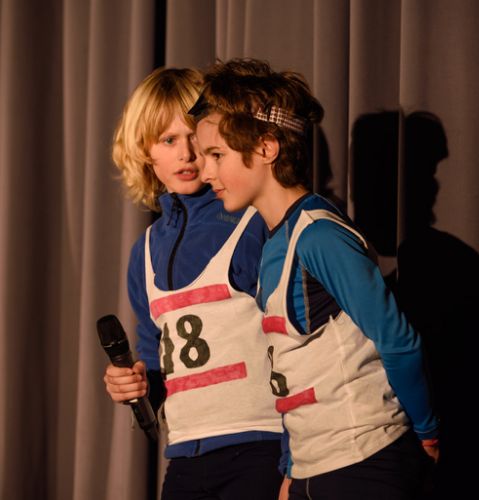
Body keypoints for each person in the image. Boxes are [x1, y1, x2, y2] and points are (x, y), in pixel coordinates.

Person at [192, 58, 439, 500]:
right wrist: (292, 468)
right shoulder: (274, 243)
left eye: (217, 155)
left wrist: (427, 429)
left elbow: (397, 340)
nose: (205, 172)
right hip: (315, 467)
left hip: (366, 458)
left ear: (267, 148)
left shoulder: (320, 235)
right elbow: (292, 367)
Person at [102, 66, 283, 500]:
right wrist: (136, 385)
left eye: (194, 137)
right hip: (186, 452)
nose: (185, 154)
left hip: (261, 443)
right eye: (168, 140)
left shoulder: (252, 222)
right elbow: (157, 360)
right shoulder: (145, 250)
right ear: (145, 151)